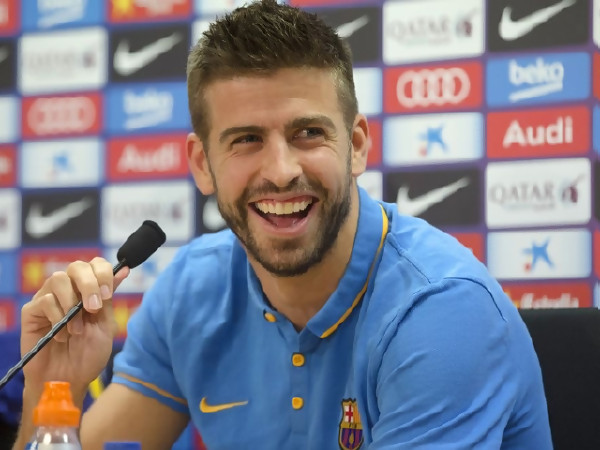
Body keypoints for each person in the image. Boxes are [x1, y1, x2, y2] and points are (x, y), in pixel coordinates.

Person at [12, 1, 553, 448]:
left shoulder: (441, 309)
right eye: (246, 139)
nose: (280, 170)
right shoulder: (190, 292)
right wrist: (52, 388)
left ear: (356, 145)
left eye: (308, 133)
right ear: (202, 164)